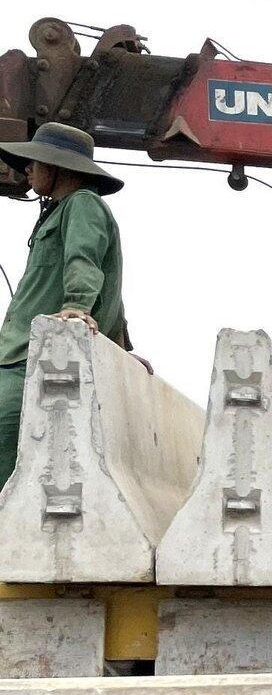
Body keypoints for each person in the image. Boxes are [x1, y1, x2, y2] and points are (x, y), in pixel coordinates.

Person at [0, 122, 136, 491]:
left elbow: (86, 262)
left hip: (29, 358)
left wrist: (77, 306)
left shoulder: (83, 204)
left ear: (58, 166)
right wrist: (122, 350)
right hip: (17, 355)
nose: (27, 168)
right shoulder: (61, 211)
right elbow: (113, 291)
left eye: (36, 161)